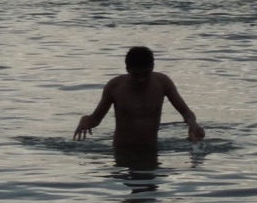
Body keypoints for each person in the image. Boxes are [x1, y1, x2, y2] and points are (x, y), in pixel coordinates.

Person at [74, 45, 204, 151]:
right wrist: (85, 120)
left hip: (151, 150)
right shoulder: (115, 87)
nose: (141, 79)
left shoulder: (163, 83)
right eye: (135, 75)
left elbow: (186, 113)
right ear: (127, 69)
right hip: (121, 151)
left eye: (146, 74)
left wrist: (193, 124)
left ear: (152, 68)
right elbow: (95, 119)